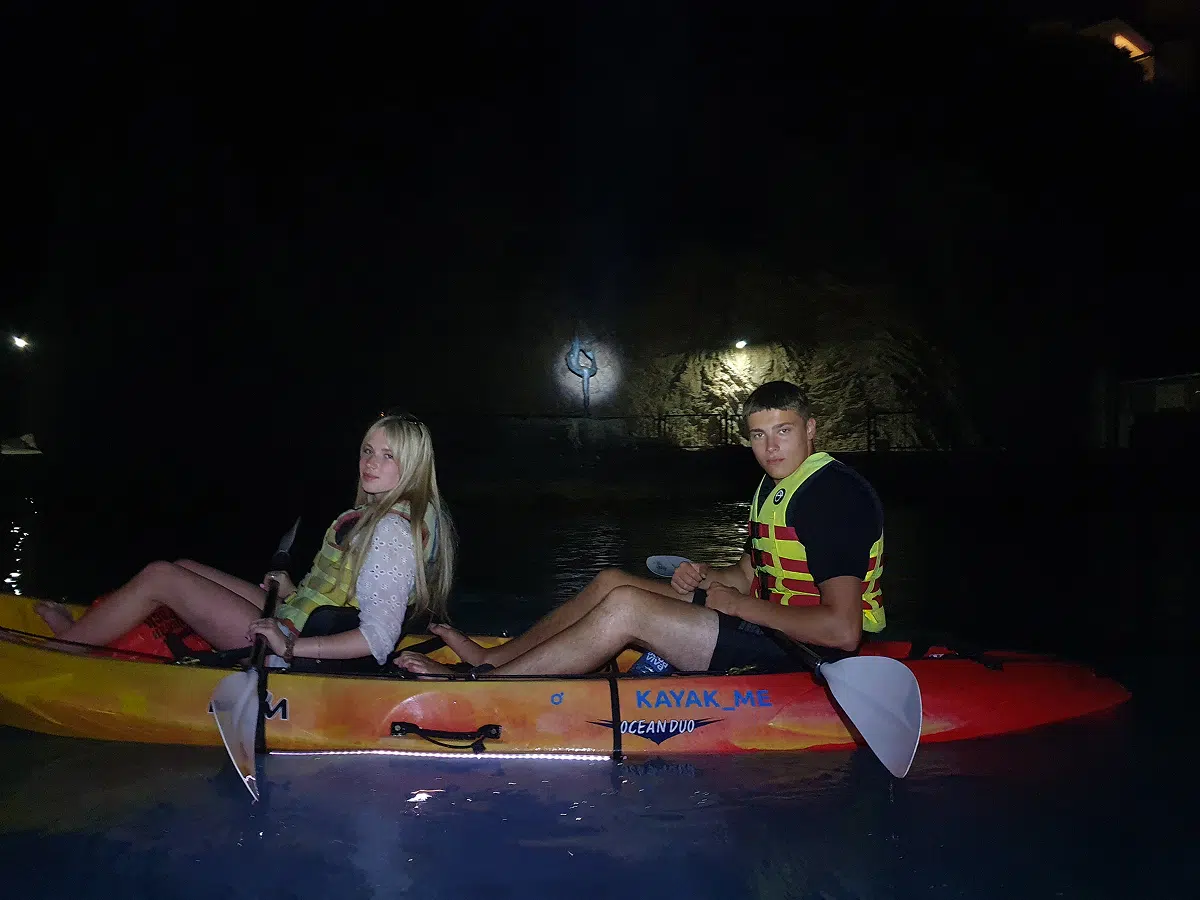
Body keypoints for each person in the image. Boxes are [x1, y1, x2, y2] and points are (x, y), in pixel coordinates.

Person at [396, 380, 883, 677]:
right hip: (765, 622)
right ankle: (492, 661)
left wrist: (740, 605)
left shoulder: (831, 496)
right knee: (612, 580)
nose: (771, 447)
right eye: (759, 434)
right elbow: (746, 573)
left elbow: (842, 631)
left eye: (784, 431)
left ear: (811, 429)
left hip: (807, 651)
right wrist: (707, 576)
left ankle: (483, 689)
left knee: (628, 608)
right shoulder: (773, 487)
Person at [36, 414, 457, 667]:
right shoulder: (381, 513)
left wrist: (290, 645)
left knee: (161, 577)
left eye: (388, 456)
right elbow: (345, 590)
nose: (371, 463)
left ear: (413, 466)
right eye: (368, 450)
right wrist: (295, 590)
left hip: (292, 649)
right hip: (298, 615)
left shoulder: (391, 531)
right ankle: (90, 633)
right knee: (184, 566)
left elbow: (378, 639)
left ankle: (67, 648)